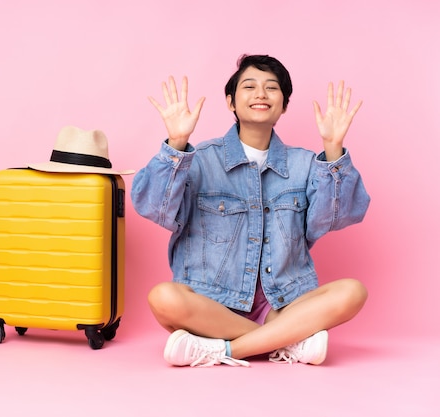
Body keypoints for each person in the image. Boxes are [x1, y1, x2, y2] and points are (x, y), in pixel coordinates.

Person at [131, 54, 370, 367]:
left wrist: (334, 150)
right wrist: (176, 144)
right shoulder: (201, 159)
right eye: (249, 86)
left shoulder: (306, 164)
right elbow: (152, 207)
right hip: (211, 305)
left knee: (353, 292)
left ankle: (224, 350)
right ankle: (285, 341)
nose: (260, 93)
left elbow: (337, 218)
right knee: (164, 297)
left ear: (284, 104)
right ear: (231, 102)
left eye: (271, 87)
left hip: (283, 305)